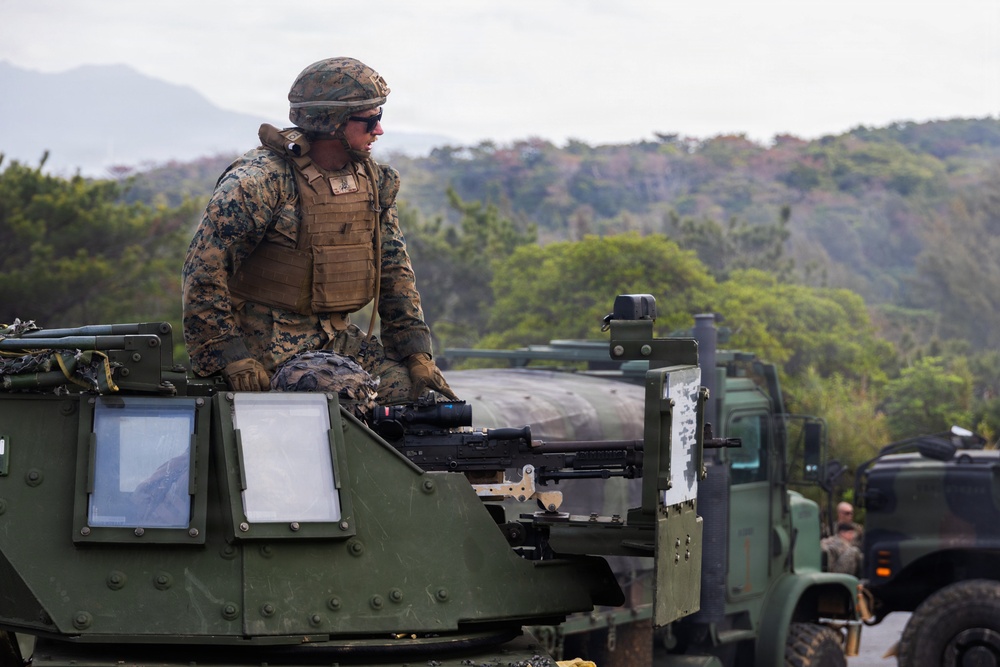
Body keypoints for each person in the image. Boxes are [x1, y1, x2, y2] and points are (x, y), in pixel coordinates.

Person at [182, 57, 455, 405]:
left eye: (379, 117)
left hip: (339, 344)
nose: (379, 130)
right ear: (332, 122)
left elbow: (394, 271)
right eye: (370, 120)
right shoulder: (258, 184)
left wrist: (416, 353)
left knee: (427, 402)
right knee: (345, 398)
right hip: (267, 351)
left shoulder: (374, 182)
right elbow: (203, 274)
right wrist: (230, 357)